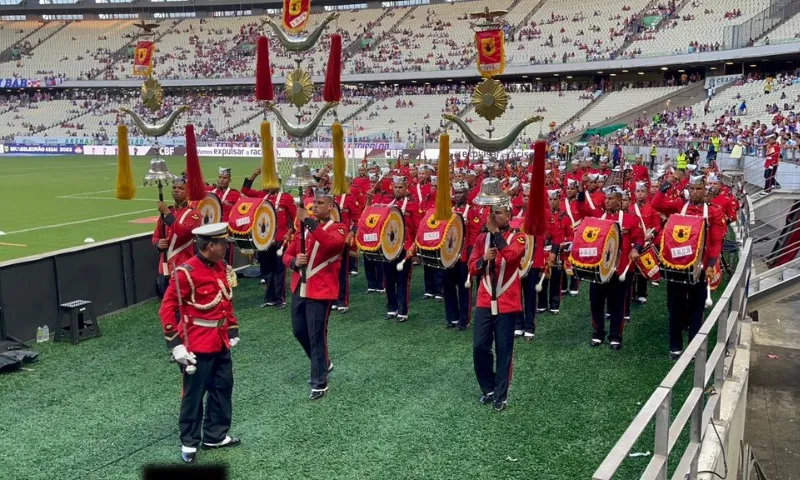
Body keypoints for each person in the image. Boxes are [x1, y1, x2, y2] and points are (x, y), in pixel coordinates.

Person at [159, 222, 241, 463]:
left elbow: (226, 301)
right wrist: (175, 345)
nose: (226, 246)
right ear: (210, 245)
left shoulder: (221, 266)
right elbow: (167, 308)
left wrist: (232, 329)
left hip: (221, 342)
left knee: (222, 389)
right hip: (196, 346)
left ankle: (215, 435)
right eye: (223, 243)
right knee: (194, 395)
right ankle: (189, 442)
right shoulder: (186, 272)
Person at [283, 191, 348, 399]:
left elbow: (330, 244)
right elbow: (287, 254)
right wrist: (294, 262)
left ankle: (319, 382)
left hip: (321, 290)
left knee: (316, 334)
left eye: (320, 204)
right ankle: (322, 362)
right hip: (300, 287)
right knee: (299, 331)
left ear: (331, 206)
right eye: (314, 204)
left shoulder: (339, 228)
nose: (316, 207)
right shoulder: (303, 231)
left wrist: (308, 221)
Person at [652, 175, 726, 359]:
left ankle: (693, 349)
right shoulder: (680, 205)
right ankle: (675, 347)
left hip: (699, 268)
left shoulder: (714, 212)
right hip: (676, 266)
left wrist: (710, 264)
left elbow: (716, 241)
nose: (695, 192)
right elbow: (656, 203)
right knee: (675, 308)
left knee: (696, 309)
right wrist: (667, 184)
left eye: (699, 188)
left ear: (705, 189)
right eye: (692, 188)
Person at [468, 198, 526, 411]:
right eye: (492, 213)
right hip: (484, 299)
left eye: (499, 213)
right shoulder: (482, 238)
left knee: (504, 349)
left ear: (509, 215)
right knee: (479, 346)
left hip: (507, 301)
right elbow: (472, 267)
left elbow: (511, 257)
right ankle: (489, 388)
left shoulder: (519, 237)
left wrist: (496, 235)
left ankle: (501, 395)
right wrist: (483, 259)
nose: (494, 217)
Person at [577, 184, 644, 350]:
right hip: (599, 269)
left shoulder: (631, 219)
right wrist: (580, 190)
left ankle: (615, 336)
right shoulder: (597, 216)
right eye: (606, 198)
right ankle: (598, 334)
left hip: (621, 269)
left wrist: (636, 249)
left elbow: (640, 239)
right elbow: (580, 207)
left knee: (617, 305)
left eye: (611, 199)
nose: (607, 201)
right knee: (596, 303)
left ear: (620, 201)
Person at [242, 168, 297, 308]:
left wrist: (290, 232)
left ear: (278, 182)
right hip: (264, 239)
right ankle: (269, 298)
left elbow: (295, 219)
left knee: (279, 270)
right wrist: (254, 174)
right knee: (266, 269)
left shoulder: (286, 198)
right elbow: (245, 190)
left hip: (280, 238)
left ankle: (280, 299)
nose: (270, 185)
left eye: (273, 182)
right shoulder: (262, 196)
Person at [152, 176, 201, 295]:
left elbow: (183, 232)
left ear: (188, 192)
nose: (176, 190)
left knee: (183, 304)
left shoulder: (194, 214)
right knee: (167, 303)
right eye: (174, 187)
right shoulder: (167, 212)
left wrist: (167, 214)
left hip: (183, 265)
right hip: (164, 266)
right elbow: (155, 236)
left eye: (181, 188)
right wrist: (159, 244)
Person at [444, 181, 482, 330]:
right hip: (449, 255)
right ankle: (452, 317)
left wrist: (470, 253)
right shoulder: (450, 210)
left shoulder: (472, 211)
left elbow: (474, 234)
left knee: (464, 288)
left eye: (460, 192)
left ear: (467, 194)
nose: (457, 195)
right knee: (448, 287)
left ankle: (463, 320)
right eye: (456, 192)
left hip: (464, 256)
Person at [383, 176, 420, 322]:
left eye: (401, 188)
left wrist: (414, 245)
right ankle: (392, 308)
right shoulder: (387, 204)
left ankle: (403, 310)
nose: (398, 190)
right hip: (389, 247)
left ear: (406, 189)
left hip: (405, 247)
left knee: (403, 280)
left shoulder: (413, 205)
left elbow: (418, 228)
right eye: (396, 187)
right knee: (389, 280)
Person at [538, 189, 571, 314]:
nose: (552, 202)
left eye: (555, 199)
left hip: (558, 253)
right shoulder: (543, 215)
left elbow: (570, 236)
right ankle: (541, 304)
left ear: (559, 200)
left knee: (556, 281)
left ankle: (554, 305)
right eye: (550, 199)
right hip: (543, 252)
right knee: (542, 278)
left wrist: (564, 244)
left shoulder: (565, 217)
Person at [629, 182, 662, 304]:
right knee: (631, 269)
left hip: (646, 242)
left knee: (642, 270)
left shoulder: (652, 208)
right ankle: (631, 293)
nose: (640, 194)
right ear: (634, 194)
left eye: (642, 191)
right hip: (633, 242)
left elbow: (658, 225)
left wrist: (651, 234)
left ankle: (642, 293)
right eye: (638, 191)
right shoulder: (630, 208)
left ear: (647, 193)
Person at [333, 182, 361, 314]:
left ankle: (342, 301)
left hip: (343, 239)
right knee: (328, 271)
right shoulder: (327, 197)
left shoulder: (349, 199)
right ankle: (332, 299)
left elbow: (357, 220)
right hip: (327, 239)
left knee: (342, 272)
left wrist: (351, 232)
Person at [207, 167, 241, 264]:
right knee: (210, 256)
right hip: (211, 230)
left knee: (225, 259)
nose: (222, 179)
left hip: (225, 232)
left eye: (225, 178)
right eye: (220, 177)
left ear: (230, 180)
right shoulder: (210, 192)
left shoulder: (235, 194)